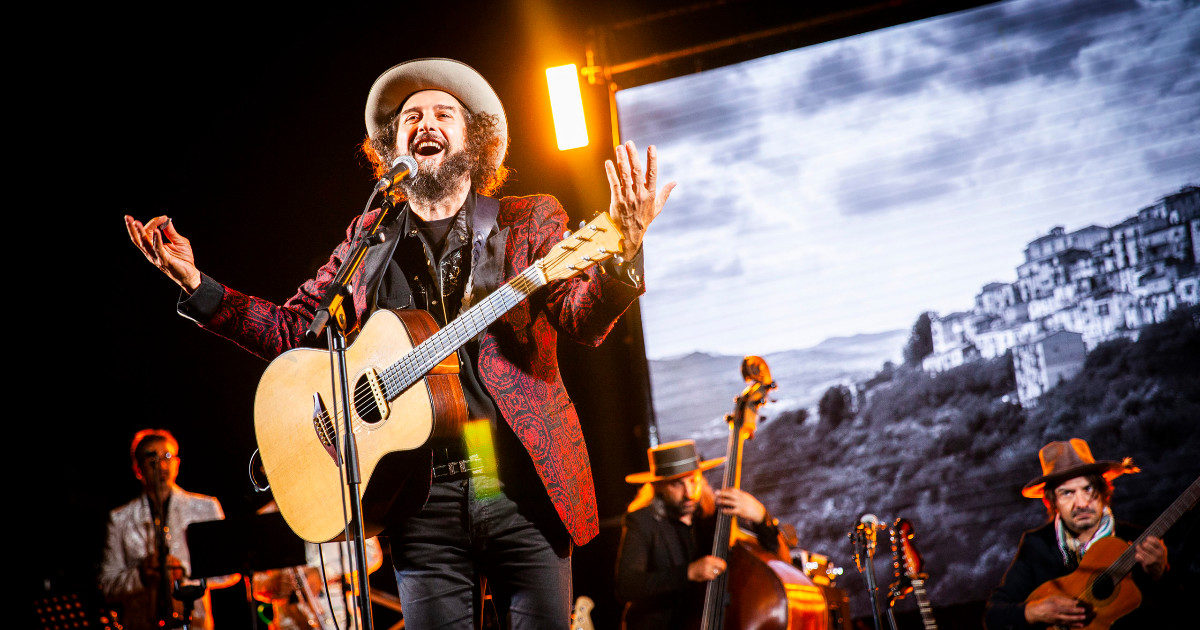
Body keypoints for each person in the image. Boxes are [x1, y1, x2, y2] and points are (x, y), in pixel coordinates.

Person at [124, 57, 674, 628]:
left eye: (443, 113)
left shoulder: (527, 220)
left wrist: (619, 261)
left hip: (517, 486)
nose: (425, 123)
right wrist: (198, 285)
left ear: (473, 139)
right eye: (411, 116)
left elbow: (582, 321)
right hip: (418, 497)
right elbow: (293, 331)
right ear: (393, 147)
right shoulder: (368, 242)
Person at [984, 438, 1171, 629]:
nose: (1081, 503)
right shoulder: (1037, 545)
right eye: (1067, 493)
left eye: (1088, 489)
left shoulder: (1139, 540)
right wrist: (1033, 612)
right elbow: (993, 616)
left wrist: (1160, 576)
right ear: (1051, 502)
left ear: (1104, 491)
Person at [614, 440, 782, 630]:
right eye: (677, 485)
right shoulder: (642, 521)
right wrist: (688, 573)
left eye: (693, 481)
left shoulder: (715, 516)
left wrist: (761, 517)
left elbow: (774, 557)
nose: (689, 493)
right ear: (658, 487)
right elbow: (627, 586)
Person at [99, 429, 239, 630]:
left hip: (194, 623)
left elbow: (230, 569)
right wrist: (140, 576)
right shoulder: (120, 519)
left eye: (167, 456)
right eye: (151, 458)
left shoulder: (205, 508)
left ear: (177, 464)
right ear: (137, 468)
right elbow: (107, 584)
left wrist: (184, 571)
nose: (161, 465)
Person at [253, 502, 385, 630]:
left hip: (337, 618)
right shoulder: (271, 511)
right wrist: (273, 585)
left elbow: (372, 555)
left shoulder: (342, 501)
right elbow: (256, 584)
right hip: (290, 621)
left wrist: (322, 573)